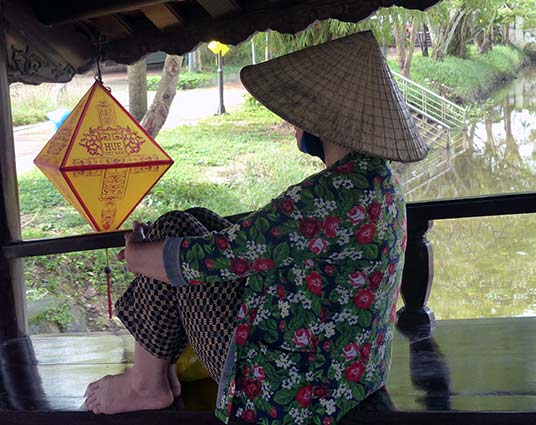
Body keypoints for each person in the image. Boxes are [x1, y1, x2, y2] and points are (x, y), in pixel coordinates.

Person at [84, 30, 427, 424]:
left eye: (299, 114)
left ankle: (145, 386)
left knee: (173, 230)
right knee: (197, 221)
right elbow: (260, 240)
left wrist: (135, 256)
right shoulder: (375, 179)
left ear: (321, 120)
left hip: (292, 385)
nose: (293, 123)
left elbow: (216, 258)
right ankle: (154, 374)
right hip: (348, 368)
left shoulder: (328, 197)